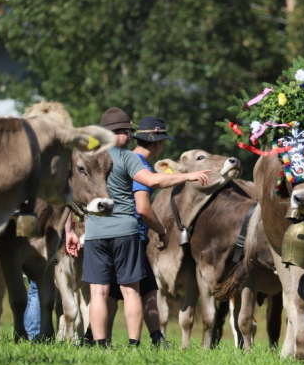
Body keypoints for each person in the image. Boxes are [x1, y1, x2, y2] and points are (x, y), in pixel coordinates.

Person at [65, 107, 211, 348]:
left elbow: (71, 195)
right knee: (131, 292)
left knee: (98, 293)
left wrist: (70, 229)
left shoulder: (87, 159)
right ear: (117, 133)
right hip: (125, 232)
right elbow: (153, 180)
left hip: (95, 233)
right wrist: (188, 177)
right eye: (127, 132)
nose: (131, 137)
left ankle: (100, 345)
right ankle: (134, 344)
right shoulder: (127, 158)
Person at [106, 116, 173, 347]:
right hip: (131, 235)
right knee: (135, 289)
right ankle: (141, 341)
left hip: (118, 233)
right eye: (162, 142)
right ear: (156, 142)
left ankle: (156, 338)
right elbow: (143, 208)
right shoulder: (138, 165)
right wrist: (162, 230)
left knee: (141, 288)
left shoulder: (122, 159)